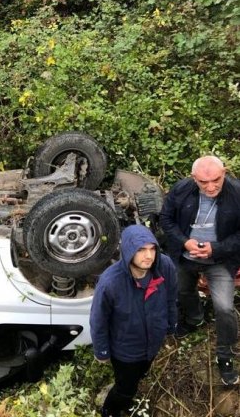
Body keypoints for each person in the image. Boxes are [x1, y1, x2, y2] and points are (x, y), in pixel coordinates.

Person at [160, 155, 240, 385]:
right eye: (204, 182)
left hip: (219, 261)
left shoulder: (236, 193)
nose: (211, 186)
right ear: (194, 178)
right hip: (185, 257)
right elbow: (166, 219)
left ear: (224, 172)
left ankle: (225, 355)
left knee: (225, 308)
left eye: (216, 179)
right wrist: (185, 242)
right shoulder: (182, 189)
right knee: (183, 292)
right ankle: (195, 318)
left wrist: (216, 249)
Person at [90, 225, 177, 417]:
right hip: (125, 350)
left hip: (153, 342)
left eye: (152, 249)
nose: (148, 255)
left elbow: (171, 297)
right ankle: (110, 410)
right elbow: (99, 320)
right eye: (141, 250)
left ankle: (126, 396)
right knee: (125, 387)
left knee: (140, 375)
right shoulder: (111, 282)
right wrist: (102, 351)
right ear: (128, 250)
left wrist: (171, 324)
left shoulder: (165, 266)